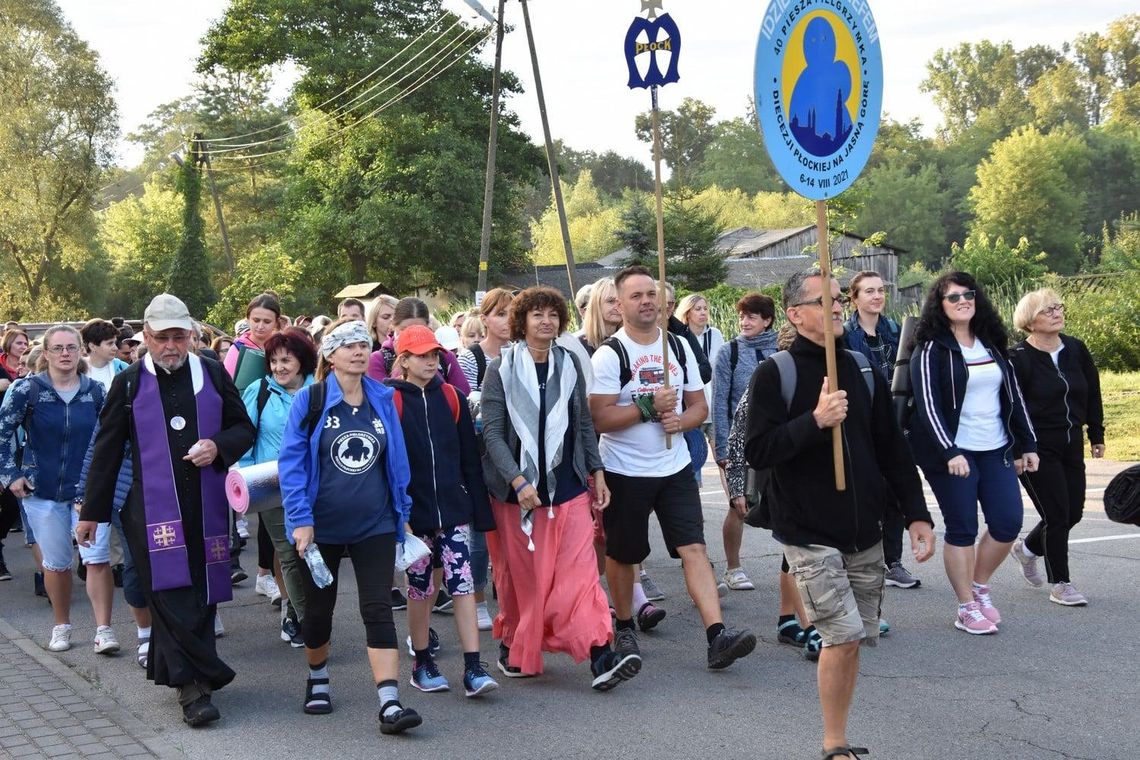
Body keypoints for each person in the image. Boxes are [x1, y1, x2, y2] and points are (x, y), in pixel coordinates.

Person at [745, 271, 936, 760]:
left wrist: (916, 513)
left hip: (865, 530)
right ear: (794, 313)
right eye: (822, 299)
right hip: (808, 533)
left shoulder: (860, 366)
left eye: (837, 298)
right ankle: (833, 743)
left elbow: (891, 446)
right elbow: (759, 451)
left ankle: (841, 732)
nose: (835, 306)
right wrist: (815, 421)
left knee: (856, 641)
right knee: (842, 634)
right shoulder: (775, 373)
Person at [76, 294, 256, 727]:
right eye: (162, 338)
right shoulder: (131, 382)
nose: (171, 346)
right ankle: (194, 689)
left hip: (208, 500)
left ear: (192, 337)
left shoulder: (211, 372)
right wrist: (91, 512)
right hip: (148, 507)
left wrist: (219, 446)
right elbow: (105, 449)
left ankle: (184, 672)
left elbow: (243, 428)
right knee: (169, 593)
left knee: (202, 591)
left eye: (179, 337)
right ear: (147, 338)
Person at [590, 265, 755, 670]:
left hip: (675, 466)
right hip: (625, 470)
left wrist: (683, 420)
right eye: (636, 296)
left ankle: (717, 634)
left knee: (694, 548)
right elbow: (599, 419)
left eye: (651, 294)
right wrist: (648, 407)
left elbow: (698, 404)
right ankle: (625, 625)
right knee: (624, 554)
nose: (646, 301)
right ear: (621, 304)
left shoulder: (677, 347)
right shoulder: (611, 354)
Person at [482, 287, 638, 689]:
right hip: (515, 495)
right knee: (525, 581)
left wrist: (596, 470)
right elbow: (494, 435)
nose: (546, 321)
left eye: (552, 314)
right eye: (537, 314)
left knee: (580, 575)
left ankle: (601, 654)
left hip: (566, 488)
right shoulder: (500, 368)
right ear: (523, 321)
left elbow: (583, 425)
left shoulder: (569, 361)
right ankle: (515, 641)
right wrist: (518, 481)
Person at [276, 320, 422, 734]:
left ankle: (390, 702)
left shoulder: (383, 397)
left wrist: (402, 512)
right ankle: (318, 677)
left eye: (364, 344)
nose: (359, 352)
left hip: (374, 523)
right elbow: (292, 465)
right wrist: (301, 521)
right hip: (320, 528)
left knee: (377, 607)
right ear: (330, 354)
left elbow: (397, 460)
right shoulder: (311, 400)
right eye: (349, 346)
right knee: (319, 611)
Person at [908, 272, 1038, 635]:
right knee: (963, 528)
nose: (963, 301)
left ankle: (980, 588)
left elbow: (1013, 397)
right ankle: (966, 606)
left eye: (969, 294)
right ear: (941, 305)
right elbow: (928, 406)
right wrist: (950, 450)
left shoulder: (991, 344)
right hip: (953, 453)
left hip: (995, 447)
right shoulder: (932, 348)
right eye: (953, 297)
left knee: (1008, 522)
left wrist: (1026, 443)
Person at [385, 325, 498, 697]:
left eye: (434, 354)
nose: (431, 361)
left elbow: (470, 458)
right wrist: (397, 516)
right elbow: (389, 465)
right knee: (420, 590)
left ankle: (472, 667)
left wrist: (477, 509)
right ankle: (422, 661)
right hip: (413, 517)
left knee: (463, 585)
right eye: (421, 355)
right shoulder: (391, 401)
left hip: (453, 511)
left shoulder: (451, 397)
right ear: (403, 360)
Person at [0, 325, 107, 652]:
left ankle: (104, 630)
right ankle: (62, 626)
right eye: (58, 348)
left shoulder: (96, 392)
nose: (65, 354)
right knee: (57, 563)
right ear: (45, 353)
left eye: (71, 348)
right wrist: (11, 475)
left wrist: (109, 480)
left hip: (87, 492)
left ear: (81, 352)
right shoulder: (26, 390)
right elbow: (1, 436)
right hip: (41, 491)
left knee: (97, 558)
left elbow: (115, 439)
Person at [1008, 288, 1104, 606]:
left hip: (1071, 441)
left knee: (1073, 512)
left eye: (1058, 308)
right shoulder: (1018, 358)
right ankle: (1060, 583)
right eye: (1047, 310)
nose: (1057, 313)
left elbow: (1092, 392)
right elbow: (1010, 407)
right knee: (1057, 514)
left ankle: (1027, 549)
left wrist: (1096, 433)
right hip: (1035, 448)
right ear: (1030, 321)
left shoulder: (1076, 349)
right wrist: (1021, 449)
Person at [238, 328, 318, 646]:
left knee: (312, 552)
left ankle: (298, 613)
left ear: (302, 361)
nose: (279, 367)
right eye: (273, 361)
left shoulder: (321, 391)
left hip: (313, 486)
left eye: (286, 359)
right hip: (270, 485)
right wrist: (246, 481)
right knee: (287, 554)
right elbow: (246, 438)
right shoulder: (259, 390)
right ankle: (309, 623)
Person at [842, 271, 920, 590]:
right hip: (861, 422)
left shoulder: (896, 332)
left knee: (895, 495)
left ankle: (893, 561)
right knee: (860, 495)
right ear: (855, 298)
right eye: (869, 291)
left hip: (895, 422)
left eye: (880, 290)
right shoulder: (845, 335)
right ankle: (855, 561)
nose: (877, 296)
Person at [456, 287, 514, 630]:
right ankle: (477, 598)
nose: (507, 321)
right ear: (485, 318)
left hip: (518, 452)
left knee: (517, 530)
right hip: (481, 452)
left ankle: (510, 593)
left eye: (512, 313)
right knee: (480, 530)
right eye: (500, 314)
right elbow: (466, 406)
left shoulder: (525, 352)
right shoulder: (471, 357)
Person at [712, 293, 778, 593]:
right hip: (740, 443)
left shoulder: (781, 347)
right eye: (742, 316)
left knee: (786, 502)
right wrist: (722, 448)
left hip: (777, 441)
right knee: (739, 505)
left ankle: (794, 568)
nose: (744, 321)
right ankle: (733, 567)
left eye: (752, 316)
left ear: (767, 320)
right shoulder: (730, 351)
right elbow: (719, 402)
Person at [367, 297, 470, 394]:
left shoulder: (444, 356)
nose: (412, 335)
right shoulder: (378, 359)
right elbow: (384, 402)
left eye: (419, 329)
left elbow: (462, 397)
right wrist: (401, 362)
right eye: (405, 329)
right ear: (394, 326)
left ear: (428, 327)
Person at [223, 293, 281, 377]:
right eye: (256, 320)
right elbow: (227, 384)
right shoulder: (237, 348)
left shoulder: (283, 347)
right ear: (247, 320)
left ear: (276, 322)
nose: (260, 326)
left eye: (267, 322)